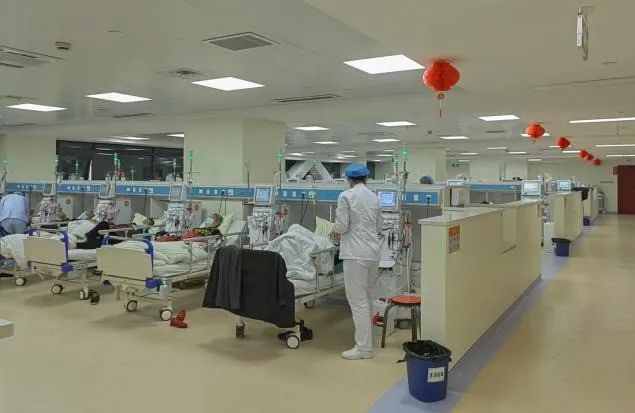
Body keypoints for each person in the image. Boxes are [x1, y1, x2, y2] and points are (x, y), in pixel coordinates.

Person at [331, 164, 383, 360]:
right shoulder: (374, 197)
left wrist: (334, 229)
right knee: (366, 298)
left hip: (355, 254)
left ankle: (363, 348)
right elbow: (380, 225)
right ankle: (366, 342)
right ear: (366, 179)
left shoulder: (346, 196)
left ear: (348, 180)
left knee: (357, 302)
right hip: (373, 254)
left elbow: (341, 226)